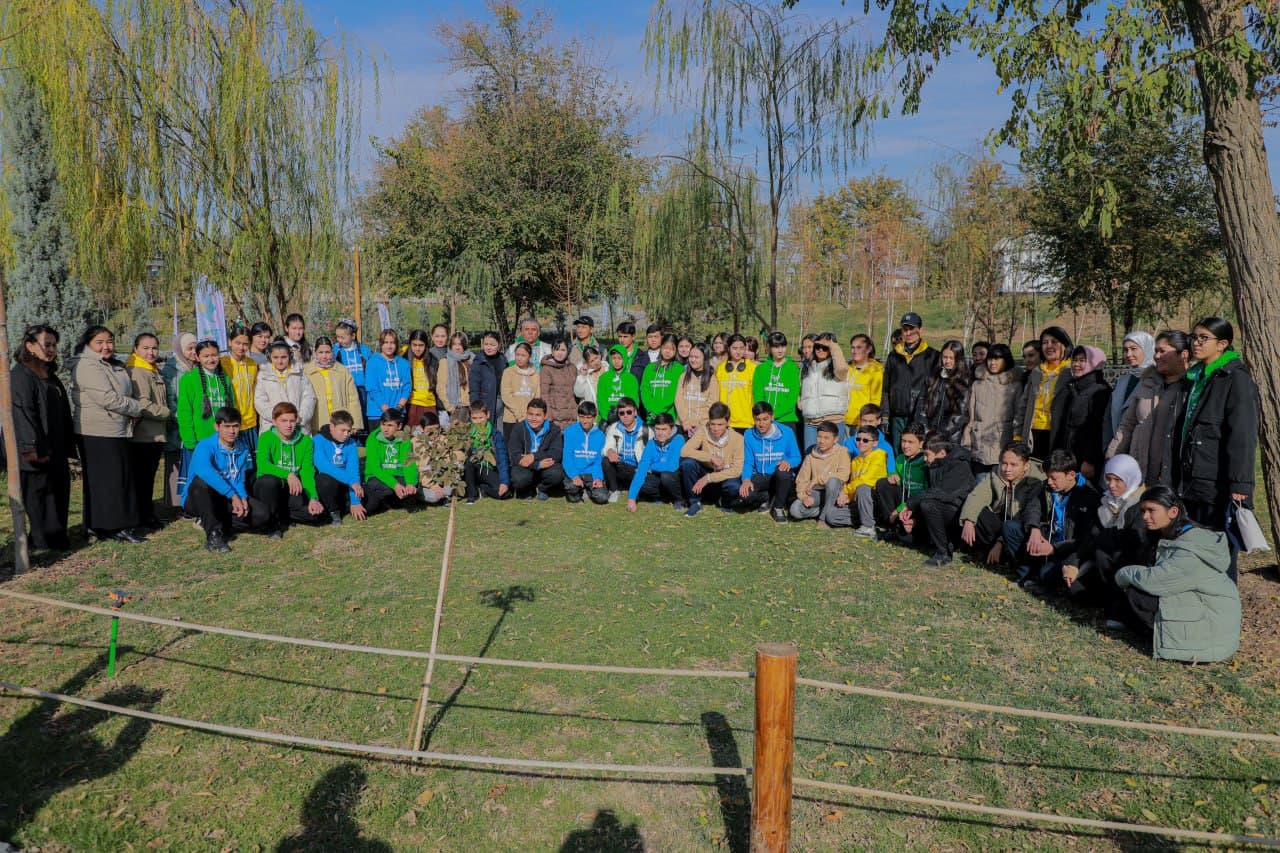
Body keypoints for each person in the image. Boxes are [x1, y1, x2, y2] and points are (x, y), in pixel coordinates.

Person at [1113, 486, 1240, 663]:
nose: (1145, 516)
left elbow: (1155, 581)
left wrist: (1123, 574)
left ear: (1173, 512)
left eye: (1151, 510)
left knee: (1138, 594)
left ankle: (1168, 640)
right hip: (1204, 609)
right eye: (1143, 511)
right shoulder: (1175, 534)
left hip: (1211, 629)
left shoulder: (1190, 548)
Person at [1177, 317, 1258, 583]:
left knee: (1218, 548)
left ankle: (1223, 601)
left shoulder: (1234, 379)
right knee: (1193, 544)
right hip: (1191, 476)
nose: (1196, 343)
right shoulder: (1196, 376)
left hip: (1217, 480)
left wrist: (1240, 483)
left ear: (1222, 344)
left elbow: (1242, 435)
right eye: (1194, 337)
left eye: (1204, 338)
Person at [70, 326, 146, 543]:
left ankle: (103, 523)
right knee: (108, 481)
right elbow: (108, 399)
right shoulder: (87, 365)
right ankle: (112, 526)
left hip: (115, 428)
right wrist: (137, 408)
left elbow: (123, 393)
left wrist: (130, 409)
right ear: (88, 344)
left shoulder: (113, 365)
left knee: (115, 478)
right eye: (100, 342)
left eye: (109, 341)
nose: (106, 346)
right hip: (97, 431)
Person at [11, 325, 74, 551]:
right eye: (46, 344)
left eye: (54, 345)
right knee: (38, 497)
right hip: (34, 449)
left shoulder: (48, 374)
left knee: (57, 493)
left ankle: (56, 537)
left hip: (54, 446)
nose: (51, 349)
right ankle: (41, 541)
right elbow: (22, 414)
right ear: (30, 345)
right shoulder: (21, 375)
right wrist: (31, 448)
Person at [1108, 330, 1190, 486]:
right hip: (1141, 468)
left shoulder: (1191, 388)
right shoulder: (1147, 383)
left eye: (1162, 351)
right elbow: (1127, 425)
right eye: (1156, 351)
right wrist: (1112, 458)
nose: (1156, 356)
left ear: (1183, 354)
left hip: (1175, 473)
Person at [184, 407, 269, 552]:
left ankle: (211, 522)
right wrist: (233, 495)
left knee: (262, 515)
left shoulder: (242, 447)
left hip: (225, 498)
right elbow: (205, 472)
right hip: (200, 498)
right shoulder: (205, 446)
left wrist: (242, 497)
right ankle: (213, 535)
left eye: (235, 426)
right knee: (201, 483)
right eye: (226, 426)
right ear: (217, 427)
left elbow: (239, 477)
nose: (231, 431)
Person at [1015, 450, 1100, 592]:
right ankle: (1027, 575)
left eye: (1054, 478)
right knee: (1011, 528)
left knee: (1047, 573)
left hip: (1068, 549)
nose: (1049, 482)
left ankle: (1042, 579)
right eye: (1048, 477)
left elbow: (1086, 538)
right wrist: (1034, 529)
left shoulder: (1089, 496)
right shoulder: (1046, 487)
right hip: (1048, 537)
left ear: (1071, 475)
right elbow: (1033, 507)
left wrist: (1055, 548)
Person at [958, 441, 1044, 567]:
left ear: (1026, 466)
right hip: (1000, 521)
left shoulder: (1036, 481)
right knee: (977, 512)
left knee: (1011, 527)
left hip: (1020, 528)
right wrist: (969, 520)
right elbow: (978, 495)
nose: (1007, 469)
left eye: (1013, 465)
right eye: (1004, 463)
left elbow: (1024, 516)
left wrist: (1000, 542)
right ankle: (985, 551)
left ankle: (1007, 557)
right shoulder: (996, 473)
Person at [898, 435, 976, 567]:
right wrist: (914, 516)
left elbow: (942, 494)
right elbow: (930, 493)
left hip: (961, 517)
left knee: (928, 504)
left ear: (942, 453)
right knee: (905, 535)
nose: (924, 459)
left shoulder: (960, 466)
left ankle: (943, 553)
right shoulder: (936, 465)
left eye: (927, 455)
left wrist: (910, 504)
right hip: (944, 511)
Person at [253, 401, 326, 538]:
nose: (288, 425)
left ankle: (283, 514)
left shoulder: (306, 441)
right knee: (268, 482)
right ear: (274, 421)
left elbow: (307, 471)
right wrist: (288, 474)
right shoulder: (266, 437)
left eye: (292, 421)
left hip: (292, 488)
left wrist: (313, 498)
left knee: (316, 515)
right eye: (283, 421)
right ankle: (273, 524)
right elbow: (263, 465)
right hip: (270, 488)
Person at [177, 339, 236, 504]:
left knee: (221, 476)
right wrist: (189, 440)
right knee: (199, 478)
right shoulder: (189, 379)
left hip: (222, 441)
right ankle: (192, 508)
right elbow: (184, 412)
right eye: (206, 356)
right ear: (197, 357)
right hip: (200, 440)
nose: (211, 359)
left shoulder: (224, 378)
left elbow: (232, 409)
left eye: (214, 355)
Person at [126, 333, 171, 529]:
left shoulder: (151, 369)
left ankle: (147, 514)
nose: (151, 352)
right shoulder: (137, 370)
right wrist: (167, 413)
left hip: (154, 433)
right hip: (144, 435)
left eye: (154, 348)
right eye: (145, 348)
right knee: (141, 479)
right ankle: (141, 517)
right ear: (135, 349)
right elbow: (143, 404)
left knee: (147, 478)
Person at [880, 312, 940, 452]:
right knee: (898, 452)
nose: (908, 333)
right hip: (897, 416)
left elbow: (936, 389)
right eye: (905, 329)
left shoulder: (932, 356)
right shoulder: (894, 356)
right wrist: (885, 414)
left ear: (920, 329)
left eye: (912, 329)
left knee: (918, 453)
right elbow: (886, 387)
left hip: (919, 416)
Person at [732, 401, 800, 522]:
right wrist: (746, 479)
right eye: (758, 420)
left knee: (783, 473)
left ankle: (778, 507)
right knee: (745, 496)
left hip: (780, 475)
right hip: (761, 475)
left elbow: (797, 457)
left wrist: (789, 462)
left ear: (772, 417)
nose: (761, 424)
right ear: (753, 419)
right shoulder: (749, 434)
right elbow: (748, 461)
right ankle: (769, 498)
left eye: (765, 419)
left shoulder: (787, 432)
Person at [1053, 345, 1112, 479]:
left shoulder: (1100, 391)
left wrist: (1090, 459)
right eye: (1074, 360)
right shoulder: (1074, 388)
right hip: (1070, 456)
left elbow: (1097, 429)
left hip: (1085, 460)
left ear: (1094, 362)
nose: (1076, 364)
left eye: (1082, 360)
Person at [1013, 326, 1072, 459]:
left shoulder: (1071, 372)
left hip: (1059, 434)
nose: (1049, 346)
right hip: (1033, 433)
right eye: (1045, 343)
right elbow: (1023, 408)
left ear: (1065, 345)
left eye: (1054, 342)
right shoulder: (1037, 372)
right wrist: (1018, 436)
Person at [962, 343, 1022, 473]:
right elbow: (971, 418)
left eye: (997, 359)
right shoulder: (978, 384)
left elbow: (1018, 417)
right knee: (979, 480)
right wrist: (967, 439)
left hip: (1003, 445)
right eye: (990, 359)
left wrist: (1016, 443)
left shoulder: (1015, 386)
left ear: (1006, 360)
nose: (992, 363)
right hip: (979, 445)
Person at [679, 402, 745, 517]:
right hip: (706, 471)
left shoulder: (738, 439)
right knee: (687, 463)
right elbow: (684, 451)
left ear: (728, 423)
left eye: (720, 424)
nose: (715, 428)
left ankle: (724, 501)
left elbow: (737, 470)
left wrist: (709, 478)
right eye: (712, 424)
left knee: (734, 486)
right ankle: (695, 502)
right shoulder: (703, 431)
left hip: (724, 476)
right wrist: (710, 457)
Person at [826, 425, 887, 535]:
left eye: (865, 440)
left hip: (874, 500)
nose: (861, 442)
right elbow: (852, 483)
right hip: (859, 502)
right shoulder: (855, 461)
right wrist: (847, 497)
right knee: (831, 516)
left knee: (863, 488)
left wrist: (845, 491)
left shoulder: (879, 456)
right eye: (858, 439)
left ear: (875, 443)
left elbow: (865, 479)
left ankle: (868, 526)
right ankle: (868, 518)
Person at [788, 421, 852, 524]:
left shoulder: (842, 452)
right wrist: (804, 497)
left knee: (833, 481)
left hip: (835, 492)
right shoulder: (810, 456)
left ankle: (823, 518)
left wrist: (817, 480)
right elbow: (801, 480)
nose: (822, 441)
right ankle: (825, 509)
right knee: (795, 509)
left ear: (835, 439)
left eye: (826, 438)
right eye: (819, 437)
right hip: (817, 493)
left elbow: (843, 475)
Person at [873, 422, 929, 537]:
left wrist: (899, 509)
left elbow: (925, 494)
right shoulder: (900, 459)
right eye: (903, 441)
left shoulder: (926, 462)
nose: (905, 445)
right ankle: (891, 526)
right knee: (883, 483)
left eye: (910, 442)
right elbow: (896, 479)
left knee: (908, 539)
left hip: (917, 504)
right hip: (904, 500)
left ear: (921, 444)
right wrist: (892, 475)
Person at [162, 332, 197, 510]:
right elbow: (170, 397)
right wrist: (180, 418)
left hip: (194, 423)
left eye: (195, 348)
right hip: (177, 423)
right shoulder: (172, 369)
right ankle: (175, 503)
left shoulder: (196, 367)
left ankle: (191, 500)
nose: (193, 352)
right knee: (175, 461)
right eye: (189, 348)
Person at [313, 409, 366, 524]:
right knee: (324, 480)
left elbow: (353, 471)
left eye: (349, 431)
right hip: (329, 483)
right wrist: (351, 481)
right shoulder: (317, 440)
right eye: (343, 430)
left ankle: (347, 505)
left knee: (367, 499)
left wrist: (355, 501)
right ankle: (334, 511)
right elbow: (323, 466)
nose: (346, 434)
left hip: (345, 483)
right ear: (332, 427)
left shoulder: (351, 443)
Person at [1103, 331, 1155, 450]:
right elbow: (1108, 417)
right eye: (1125, 350)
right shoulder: (1122, 381)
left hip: (1141, 449)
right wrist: (1107, 447)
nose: (1128, 354)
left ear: (1147, 349)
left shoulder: (1155, 381)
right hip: (1116, 447)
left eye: (1133, 349)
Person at [363, 408, 421, 514]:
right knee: (385, 490)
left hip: (397, 475)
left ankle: (394, 500)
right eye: (383, 424)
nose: (385, 429)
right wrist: (395, 485)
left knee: (412, 486)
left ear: (399, 426)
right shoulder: (373, 439)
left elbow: (408, 463)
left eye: (390, 425)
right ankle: (380, 498)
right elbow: (375, 468)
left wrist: (410, 483)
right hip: (377, 476)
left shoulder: (404, 439)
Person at [798, 333, 849, 451]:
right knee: (810, 456)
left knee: (833, 457)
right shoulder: (807, 367)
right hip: (811, 423)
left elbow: (842, 368)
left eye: (825, 347)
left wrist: (833, 346)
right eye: (817, 346)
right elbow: (801, 389)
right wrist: (801, 403)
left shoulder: (837, 367)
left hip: (833, 421)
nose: (820, 349)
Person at [255, 340, 317, 436]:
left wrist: (301, 417)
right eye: (275, 357)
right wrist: (277, 418)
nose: (280, 361)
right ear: (269, 357)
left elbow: (309, 397)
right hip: (273, 427)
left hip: (298, 425)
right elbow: (260, 401)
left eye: (284, 357)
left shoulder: (300, 373)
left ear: (290, 356)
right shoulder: (263, 375)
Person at [913, 339, 970, 444]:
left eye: (951, 358)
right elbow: (922, 403)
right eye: (945, 357)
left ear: (958, 359)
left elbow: (961, 414)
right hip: (928, 433)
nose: (947, 361)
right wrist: (924, 428)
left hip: (950, 437)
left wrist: (941, 434)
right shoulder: (933, 377)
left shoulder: (964, 381)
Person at [627, 412, 687, 511]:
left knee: (666, 476)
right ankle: (665, 497)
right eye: (657, 429)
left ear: (672, 428)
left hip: (676, 477)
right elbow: (642, 468)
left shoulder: (678, 439)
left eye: (664, 429)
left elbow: (672, 466)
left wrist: (651, 467)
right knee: (641, 483)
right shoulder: (651, 443)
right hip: (660, 476)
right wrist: (631, 499)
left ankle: (679, 500)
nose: (660, 433)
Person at [507, 397, 564, 500]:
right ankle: (527, 489)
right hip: (526, 467)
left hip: (545, 466)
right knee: (519, 478)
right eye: (530, 414)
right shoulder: (518, 428)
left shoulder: (554, 429)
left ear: (545, 416)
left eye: (538, 415)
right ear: (526, 413)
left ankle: (542, 488)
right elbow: (514, 455)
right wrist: (537, 465)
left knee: (556, 474)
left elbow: (556, 453)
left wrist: (534, 456)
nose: (533, 418)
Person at [306, 336, 363, 435]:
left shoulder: (342, 371)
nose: (324, 356)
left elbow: (353, 398)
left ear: (332, 352)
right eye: (320, 352)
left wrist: (355, 423)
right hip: (318, 422)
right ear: (315, 353)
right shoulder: (307, 371)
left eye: (327, 352)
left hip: (340, 422)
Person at [753, 331, 801, 443]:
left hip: (787, 419)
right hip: (764, 421)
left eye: (783, 346)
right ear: (769, 348)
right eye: (776, 347)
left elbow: (792, 397)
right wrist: (765, 416)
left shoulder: (793, 368)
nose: (780, 350)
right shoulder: (761, 369)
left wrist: (773, 415)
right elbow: (758, 394)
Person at [411, 411, 466, 505]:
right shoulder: (415, 443)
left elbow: (460, 456)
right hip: (424, 482)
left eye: (437, 428)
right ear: (422, 429)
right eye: (429, 429)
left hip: (441, 477)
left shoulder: (443, 439)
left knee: (458, 466)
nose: (434, 433)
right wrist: (432, 485)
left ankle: (446, 493)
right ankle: (422, 496)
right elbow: (417, 470)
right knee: (433, 497)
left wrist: (444, 457)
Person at [602, 398, 651, 502]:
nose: (625, 415)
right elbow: (607, 446)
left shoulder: (646, 430)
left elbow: (652, 455)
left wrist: (644, 469)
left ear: (635, 412)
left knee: (649, 487)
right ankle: (614, 490)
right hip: (621, 465)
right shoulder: (614, 428)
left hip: (637, 469)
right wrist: (609, 451)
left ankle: (633, 487)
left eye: (629, 412)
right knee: (605, 461)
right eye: (622, 413)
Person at [461, 400, 510, 503]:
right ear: (470, 417)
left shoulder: (495, 434)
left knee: (504, 493)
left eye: (481, 417)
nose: (478, 421)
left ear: (487, 415)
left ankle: (483, 489)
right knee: (469, 463)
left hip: (488, 468)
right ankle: (471, 495)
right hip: (470, 470)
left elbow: (502, 458)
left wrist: (504, 482)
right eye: (474, 418)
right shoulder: (466, 433)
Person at [561, 401, 609, 504]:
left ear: (594, 418)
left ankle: (588, 490)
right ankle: (579, 491)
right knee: (572, 492)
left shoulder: (600, 435)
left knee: (602, 498)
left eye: (588, 417)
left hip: (590, 473)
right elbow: (567, 458)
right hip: (575, 471)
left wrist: (598, 478)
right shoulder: (569, 431)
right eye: (582, 417)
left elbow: (598, 461)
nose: (584, 421)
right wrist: (574, 476)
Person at [221, 326, 260, 449]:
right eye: (237, 343)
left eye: (245, 344)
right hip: (231, 423)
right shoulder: (222, 363)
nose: (241, 347)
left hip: (250, 422)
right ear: (230, 342)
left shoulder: (252, 364)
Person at [365, 329, 411, 427]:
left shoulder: (403, 363)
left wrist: (399, 408)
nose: (389, 346)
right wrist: (387, 411)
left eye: (392, 343)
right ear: (381, 343)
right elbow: (373, 390)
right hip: (377, 414)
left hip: (398, 413)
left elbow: (407, 387)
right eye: (386, 342)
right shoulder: (372, 363)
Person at [675, 343, 719, 437]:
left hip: (702, 427)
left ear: (705, 358)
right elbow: (678, 400)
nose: (693, 360)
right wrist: (685, 421)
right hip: (683, 425)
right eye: (691, 356)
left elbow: (712, 403)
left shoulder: (712, 378)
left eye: (696, 357)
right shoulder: (683, 376)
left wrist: (701, 423)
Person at [716, 334, 757, 431]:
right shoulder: (720, 368)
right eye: (734, 348)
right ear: (728, 348)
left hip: (746, 422)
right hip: (724, 421)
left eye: (741, 348)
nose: (738, 352)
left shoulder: (753, 368)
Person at [640, 334, 685, 422]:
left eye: (672, 349)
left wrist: (656, 411)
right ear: (661, 347)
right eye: (665, 348)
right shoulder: (649, 368)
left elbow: (674, 393)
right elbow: (644, 390)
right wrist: (651, 409)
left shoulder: (679, 369)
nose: (668, 351)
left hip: (669, 418)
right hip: (651, 417)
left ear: (676, 350)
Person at [844, 334, 883, 435]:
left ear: (869, 349)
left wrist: (868, 422)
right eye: (852, 347)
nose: (854, 351)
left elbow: (875, 400)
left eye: (859, 347)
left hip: (861, 422)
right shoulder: (848, 368)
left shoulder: (875, 371)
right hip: (844, 419)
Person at [501, 342, 540, 440]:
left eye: (523, 355)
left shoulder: (536, 374)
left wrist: (531, 415)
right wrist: (519, 415)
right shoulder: (508, 372)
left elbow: (537, 397)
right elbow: (506, 396)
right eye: (517, 355)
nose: (519, 358)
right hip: (512, 419)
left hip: (530, 419)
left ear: (529, 356)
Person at [333, 319, 371, 416]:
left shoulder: (364, 350)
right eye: (337, 337)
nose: (339, 340)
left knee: (361, 414)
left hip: (361, 389)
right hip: (344, 388)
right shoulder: (336, 350)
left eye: (342, 337)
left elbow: (370, 371)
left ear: (353, 336)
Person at [539, 339, 578, 430]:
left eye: (563, 350)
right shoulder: (546, 369)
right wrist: (548, 416)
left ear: (567, 352)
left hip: (572, 417)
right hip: (555, 417)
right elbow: (545, 394)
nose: (559, 353)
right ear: (552, 352)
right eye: (556, 350)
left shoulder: (572, 368)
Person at [404, 329, 438, 429]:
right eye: (414, 345)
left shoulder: (433, 360)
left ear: (426, 345)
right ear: (410, 344)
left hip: (429, 404)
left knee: (431, 434)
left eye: (421, 345)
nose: (417, 348)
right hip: (412, 404)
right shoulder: (405, 360)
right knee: (412, 434)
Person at [436, 331, 473, 422]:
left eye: (460, 344)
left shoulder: (470, 359)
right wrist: (450, 407)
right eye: (454, 344)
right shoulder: (445, 361)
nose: (457, 347)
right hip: (456, 407)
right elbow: (441, 387)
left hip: (470, 405)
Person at [470, 332, 506, 424]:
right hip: (485, 403)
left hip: (502, 403)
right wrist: (476, 407)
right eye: (486, 344)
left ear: (499, 345)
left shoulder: (503, 360)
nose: (489, 347)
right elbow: (474, 387)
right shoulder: (478, 362)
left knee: (500, 431)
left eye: (492, 345)